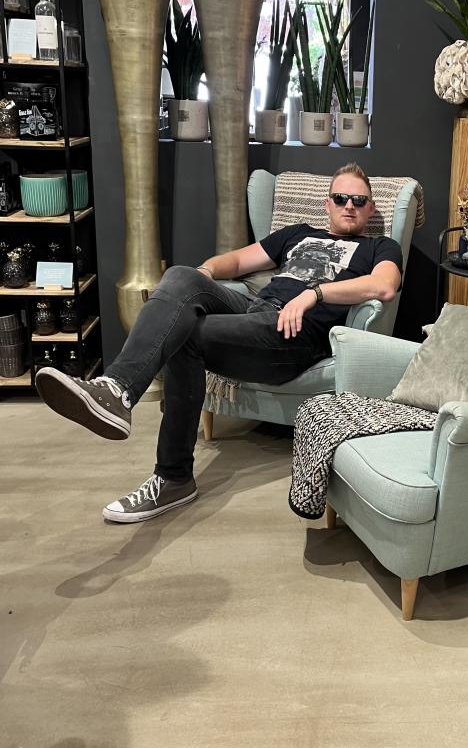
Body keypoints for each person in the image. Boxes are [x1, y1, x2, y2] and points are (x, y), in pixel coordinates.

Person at [36, 164, 403, 524]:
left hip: (294, 334)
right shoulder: (298, 233)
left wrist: (315, 294)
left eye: (359, 200)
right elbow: (238, 260)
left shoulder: (379, 247)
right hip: (255, 308)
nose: (349, 206)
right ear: (327, 204)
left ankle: (173, 476)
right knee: (181, 275)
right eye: (340, 198)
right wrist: (206, 272)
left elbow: (384, 286)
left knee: (185, 335)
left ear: (371, 208)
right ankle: (116, 389)